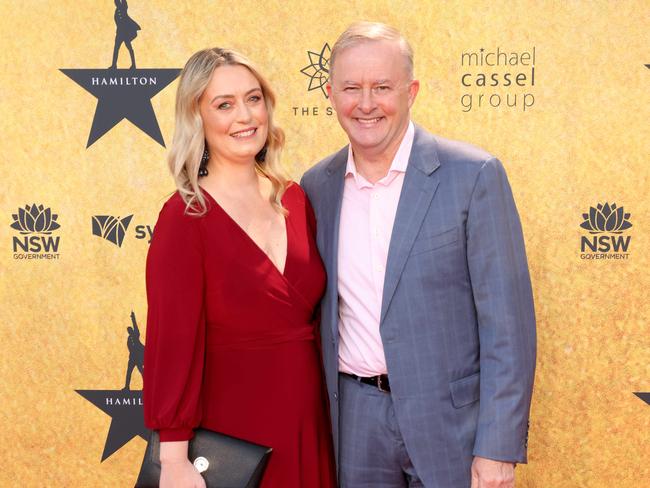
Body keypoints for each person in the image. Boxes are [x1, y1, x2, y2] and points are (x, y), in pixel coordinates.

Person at [300, 22, 536, 488]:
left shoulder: (473, 175)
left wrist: (498, 447)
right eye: (352, 88)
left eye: (382, 87)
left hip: (454, 428)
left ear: (411, 91)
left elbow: (508, 327)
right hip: (355, 424)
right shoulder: (315, 187)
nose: (366, 104)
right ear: (330, 94)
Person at [144, 47, 336, 488]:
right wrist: (173, 459)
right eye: (224, 104)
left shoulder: (295, 198)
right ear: (198, 118)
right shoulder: (186, 216)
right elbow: (172, 341)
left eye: (253, 99)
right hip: (233, 433)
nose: (244, 116)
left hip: (310, 422)